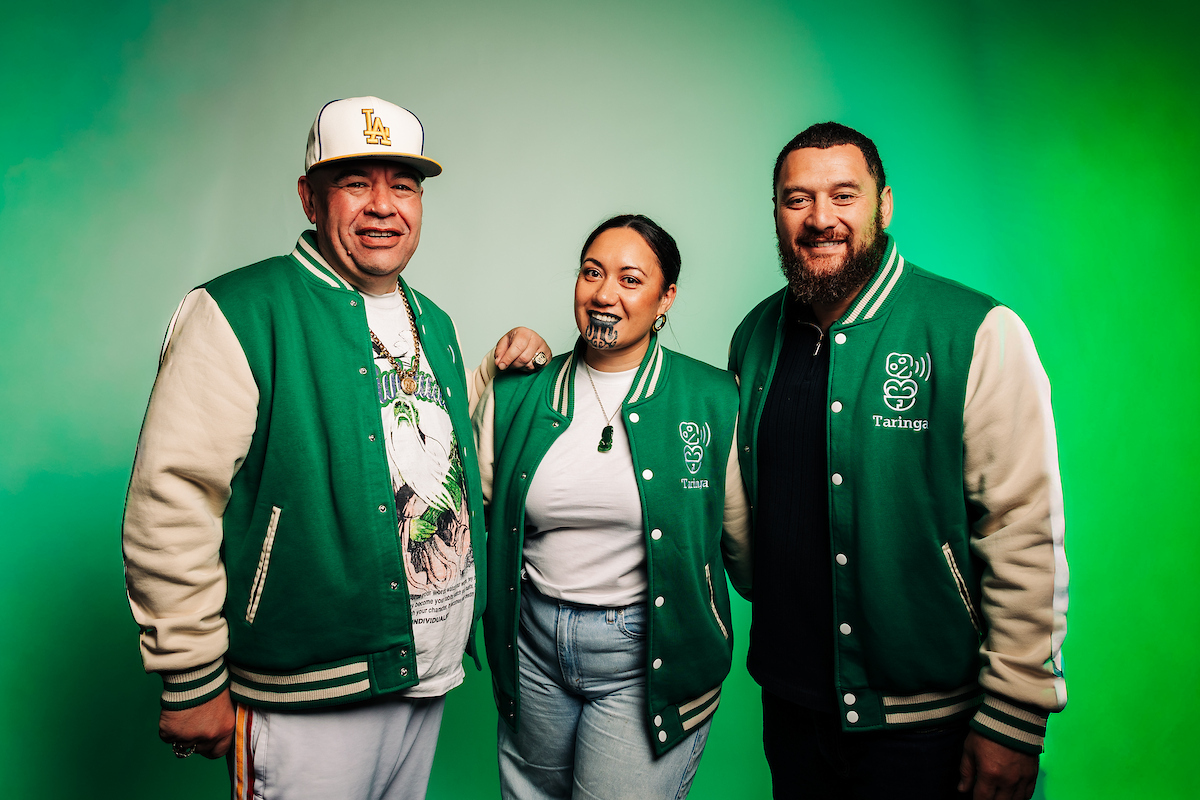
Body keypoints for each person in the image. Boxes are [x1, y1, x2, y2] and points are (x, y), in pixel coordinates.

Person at [122, 96, 549, 800]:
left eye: (402, 184)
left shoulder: (432, 319)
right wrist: (189, 674)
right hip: (306, 691)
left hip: (426, 670)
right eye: (356, 182)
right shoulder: (238, 311)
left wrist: (494, 376)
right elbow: (172, 500)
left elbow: (422, 450)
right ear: (310, 198)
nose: (383, 206)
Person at [728, 123, 1068, 800]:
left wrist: (1016, 717)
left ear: (884, 205)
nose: (820, 219)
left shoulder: (975, 330)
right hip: (792, 709)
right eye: (797, 199)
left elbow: (1023, 523)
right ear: (776, 212)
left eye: (843, 195)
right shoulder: (755, 336)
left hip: (932, 726)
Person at [472, 214, 752, 800]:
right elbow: (469, 516)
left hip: (647, 654)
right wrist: (493, 366)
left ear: (665, 296)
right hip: (532, 648)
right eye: (591, 273)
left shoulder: (711, 398)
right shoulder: (519, 389)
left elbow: (741, 544)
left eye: (630, 279)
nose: (604, 295)